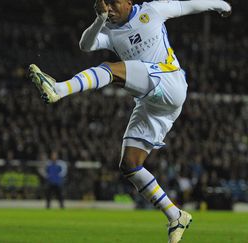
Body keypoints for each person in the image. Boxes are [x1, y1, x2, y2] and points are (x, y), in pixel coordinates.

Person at [29, 0, 231, 242]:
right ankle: (175, 215)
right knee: (130, 165)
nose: (110, 8)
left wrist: (220, 4)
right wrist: (100, 19)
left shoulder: (151, 11)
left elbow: (186, 5)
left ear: (128, 2)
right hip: (151, 104)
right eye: (105, 4)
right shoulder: (110, 30)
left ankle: (59, 89)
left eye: (114, 3)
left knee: (110, 69)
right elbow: (86, 45)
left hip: (170, 82)